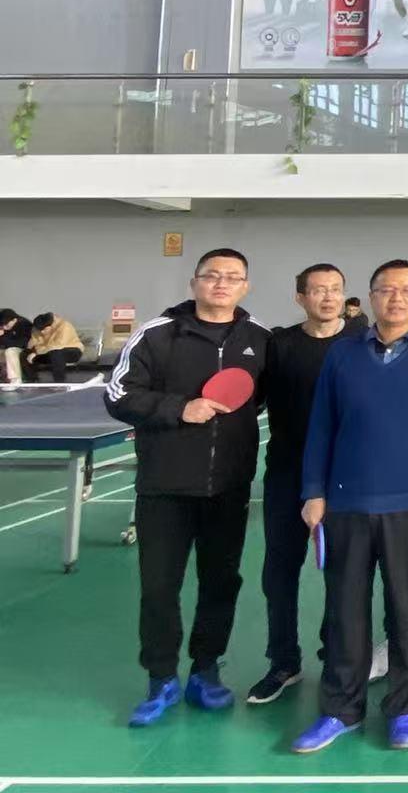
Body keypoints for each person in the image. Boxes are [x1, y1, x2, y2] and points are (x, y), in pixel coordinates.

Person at [291, 261, 408, 755]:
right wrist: (314, 490)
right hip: (345, 504)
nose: (397, 298)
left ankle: (405, 707)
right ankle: (340, 710)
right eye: (386, 290)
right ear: (370, 297)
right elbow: (322, 425)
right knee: (345, 612)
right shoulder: (342, 354)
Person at [105, 248, 270, 727]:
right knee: (159, 588)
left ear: (245, 286)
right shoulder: (157, 334)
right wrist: (180, 408)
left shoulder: (259, 339)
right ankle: (160, 678)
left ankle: (205, 670)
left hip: (228, 488)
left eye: (232, 277)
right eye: (212, 275)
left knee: (221, 583)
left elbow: (259, 398)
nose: (221, 283)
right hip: (165, 488)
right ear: (195, 282)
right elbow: (118, 394)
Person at [247, 264, 356, 707]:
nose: (327, 298)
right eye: (317, 290)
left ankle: (335, 654)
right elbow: (248, 400)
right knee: (279, 570)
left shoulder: (361, 341)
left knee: (342, 571)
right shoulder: (279, 345)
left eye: (335, 290)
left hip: (346, 475)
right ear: (300, 297)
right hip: (287, 473)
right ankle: (283, 661)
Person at [25, 311, 83, 382]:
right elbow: (36, 345)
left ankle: (59, 382)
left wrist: (36, 353)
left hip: (72, 350)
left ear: (51, 325)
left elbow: (58, 345)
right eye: (40, 330)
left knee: (56, 353)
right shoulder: (37, 329)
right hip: (47, 352)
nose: (42, 332)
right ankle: (31, 380)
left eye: (44, 329)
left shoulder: (64, 326)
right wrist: (33, 352)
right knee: (25, 355)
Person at [0, 307, 30, 385]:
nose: (4, 327)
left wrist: (2, 336)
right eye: (2, 325)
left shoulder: (24, 324)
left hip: (23, 349)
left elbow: (21, 344)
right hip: (8, 348)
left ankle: (15, 380)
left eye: (6, 324)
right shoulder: (4, 327)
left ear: (14, 320)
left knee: (10, 351)